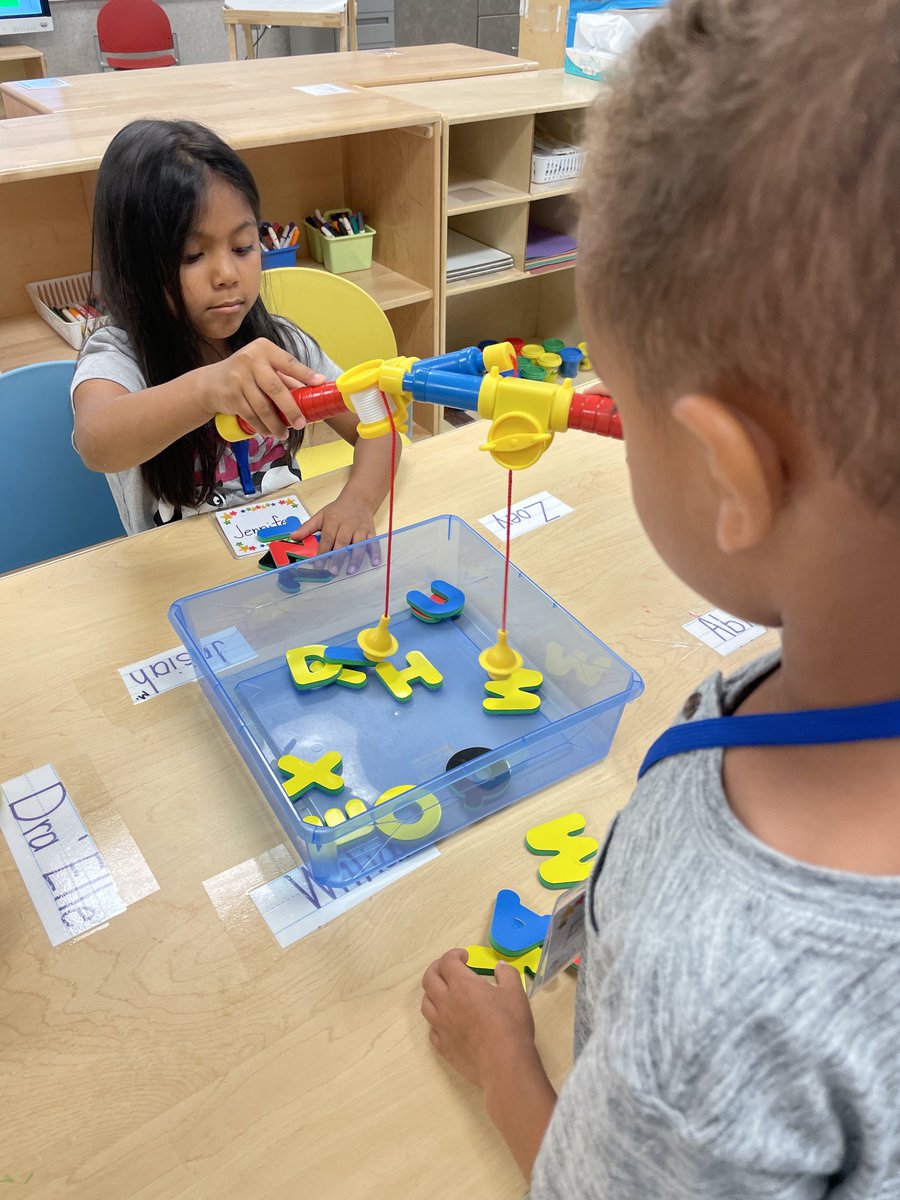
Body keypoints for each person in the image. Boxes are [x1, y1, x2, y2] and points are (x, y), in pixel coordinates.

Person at [421, 0, 900, 1194]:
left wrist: (502, 1064)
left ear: (731, 476)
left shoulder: (718, 1007)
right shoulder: (809, 681)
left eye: (622, 409)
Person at [72, 119, 398, 558]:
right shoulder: (117, 355)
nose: (227, 275)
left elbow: (379, 424)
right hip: (178, 580)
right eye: (192, 255)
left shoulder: (281, 347)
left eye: (244, 247)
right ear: (135, 264)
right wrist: (207, 388)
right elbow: (97, 442)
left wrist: (357, 500)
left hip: (282, 562)